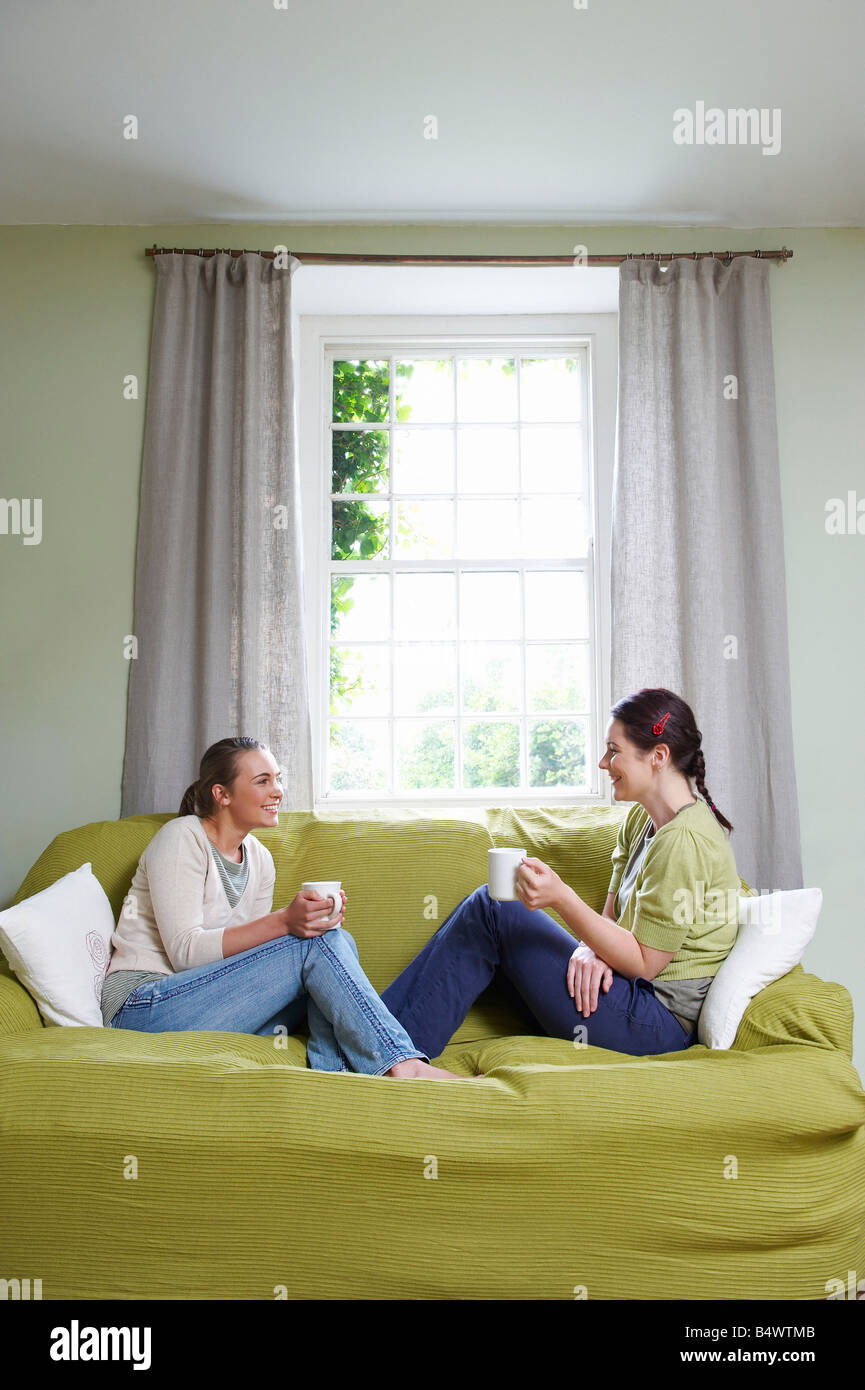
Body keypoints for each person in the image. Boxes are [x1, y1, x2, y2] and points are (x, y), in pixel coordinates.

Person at [381, 688, 740, 1059]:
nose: (603, 763)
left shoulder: (685, 840)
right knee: (491, 906)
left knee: (494, 908)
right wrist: (590, 950)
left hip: (657, 1024)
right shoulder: (641, 819)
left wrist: (562, 897)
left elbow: (644, 964)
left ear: (658, 756)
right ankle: (383, 1042)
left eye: (613, 750)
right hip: (626, 989)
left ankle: (384, 1050)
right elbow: (612, 915)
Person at [103, 737, 474, 1080]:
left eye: (278, 779)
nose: (277, 791)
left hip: (207, 1001)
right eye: (262, 781)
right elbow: (185, 953)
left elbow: (241, 960)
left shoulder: (260, 860)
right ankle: (403, 1065)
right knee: (314, 944)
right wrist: (284, 923)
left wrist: (311, 922)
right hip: (143, 1006)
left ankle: (338, 1076)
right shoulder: (183, 837)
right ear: (223, 794)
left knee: (333, 939)